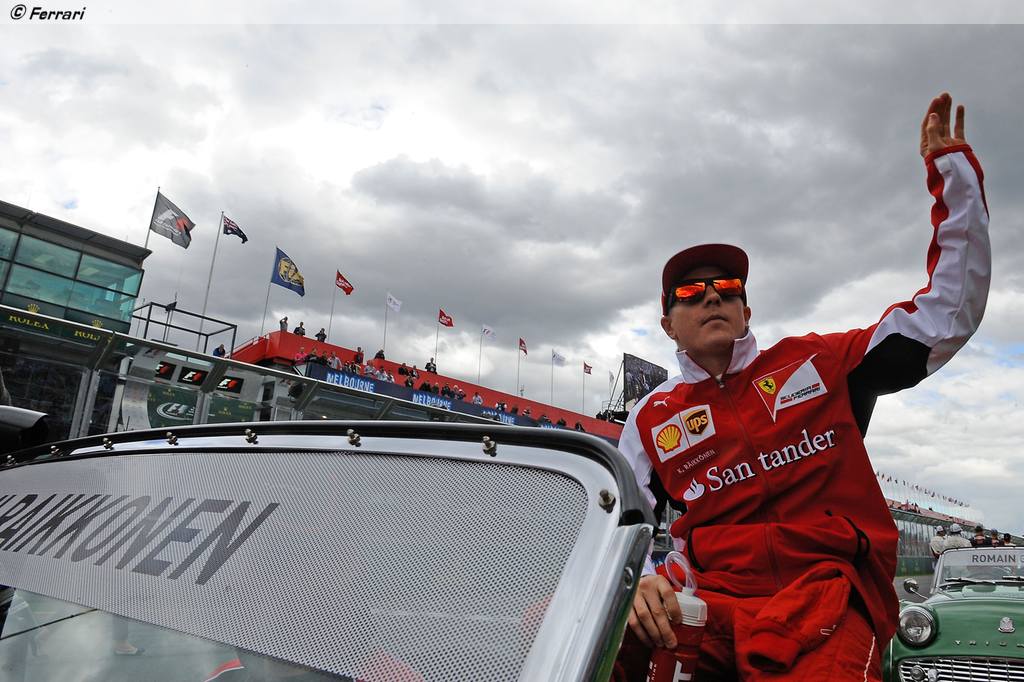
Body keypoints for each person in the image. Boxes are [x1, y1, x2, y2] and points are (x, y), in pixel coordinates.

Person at [618, 94, 988, 681]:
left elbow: (945, 319)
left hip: (825, 600)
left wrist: (954, 180)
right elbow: (614, 522)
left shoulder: (818, 364)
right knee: (583, 629)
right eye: (689, 293)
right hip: (707, 602)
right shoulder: (649, 418)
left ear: (746, 311)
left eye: (728, 288)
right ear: (668, 324)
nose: (712, 296)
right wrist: (636, 582)